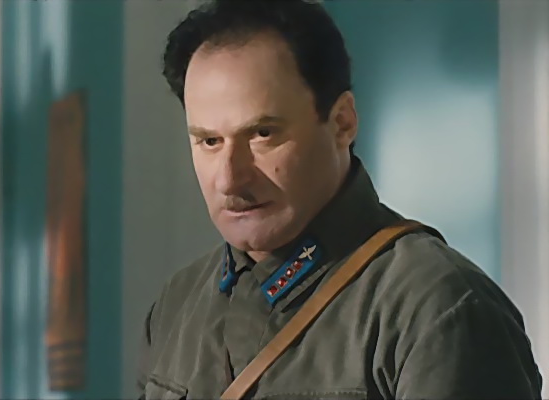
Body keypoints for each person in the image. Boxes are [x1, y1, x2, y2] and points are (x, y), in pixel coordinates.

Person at [137, 1, 543, 399]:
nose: (229, 178)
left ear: (342, 123)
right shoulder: (179, 302)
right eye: (209, 141)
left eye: (263, 134)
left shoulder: (437, 307)